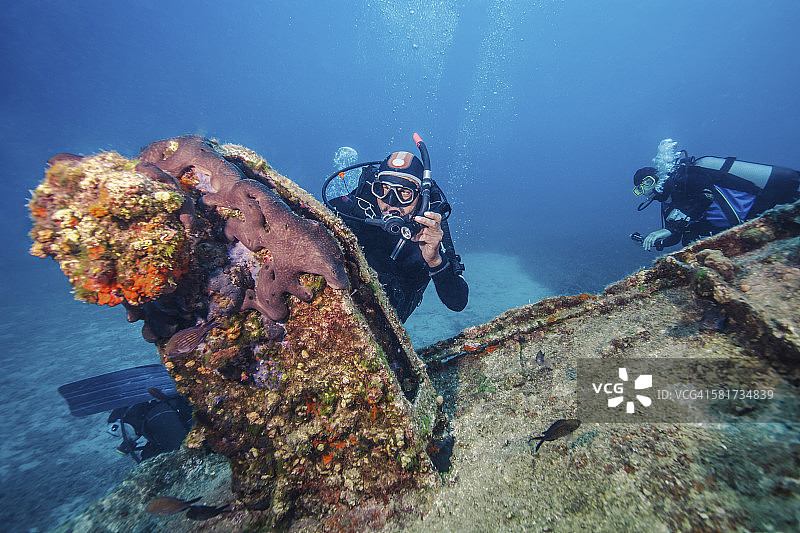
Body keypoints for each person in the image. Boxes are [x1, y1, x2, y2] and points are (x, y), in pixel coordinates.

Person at [326, 149, 468, 322]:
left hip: (388, 323)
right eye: (383, 189)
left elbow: (458, 302)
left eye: (404, 192)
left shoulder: (431, 231)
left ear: (420, 196)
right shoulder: (358, 209)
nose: (391, 202)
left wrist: (434, 260)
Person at [632, 143, 800, 251]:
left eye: (648, 182)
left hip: (760, 204)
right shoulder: (668, 205)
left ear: (659, 177)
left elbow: (705, 197)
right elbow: (675, 235)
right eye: (640, 189)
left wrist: (672, 228)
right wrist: (653, 240)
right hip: (745, 224)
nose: (647, 190)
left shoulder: (687, 176)